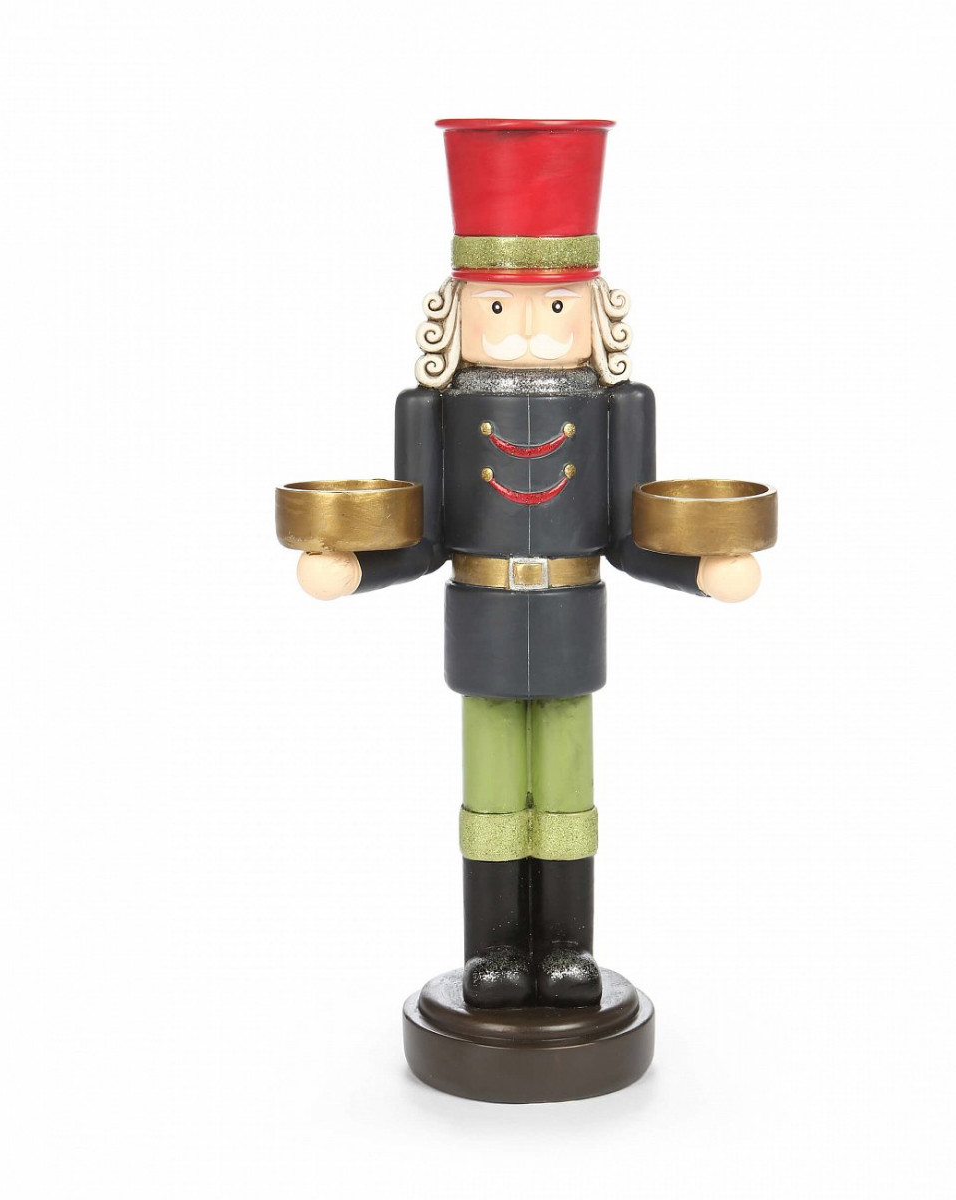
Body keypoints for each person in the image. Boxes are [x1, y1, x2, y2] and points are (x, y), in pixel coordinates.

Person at [294, 119, 760, 1008]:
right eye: (500, 309)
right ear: (458, 309)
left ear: (594, 309)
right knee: (494, 787)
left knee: (570, 783)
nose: (529, 332)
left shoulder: (621, 407)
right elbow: (422, 539)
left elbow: (630, 536)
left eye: (554, 308)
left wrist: (700, 572)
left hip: (575, 614)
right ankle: (496, 950)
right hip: (484, 618)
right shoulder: (428, 411)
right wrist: (355, 569)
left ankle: (571, 947)